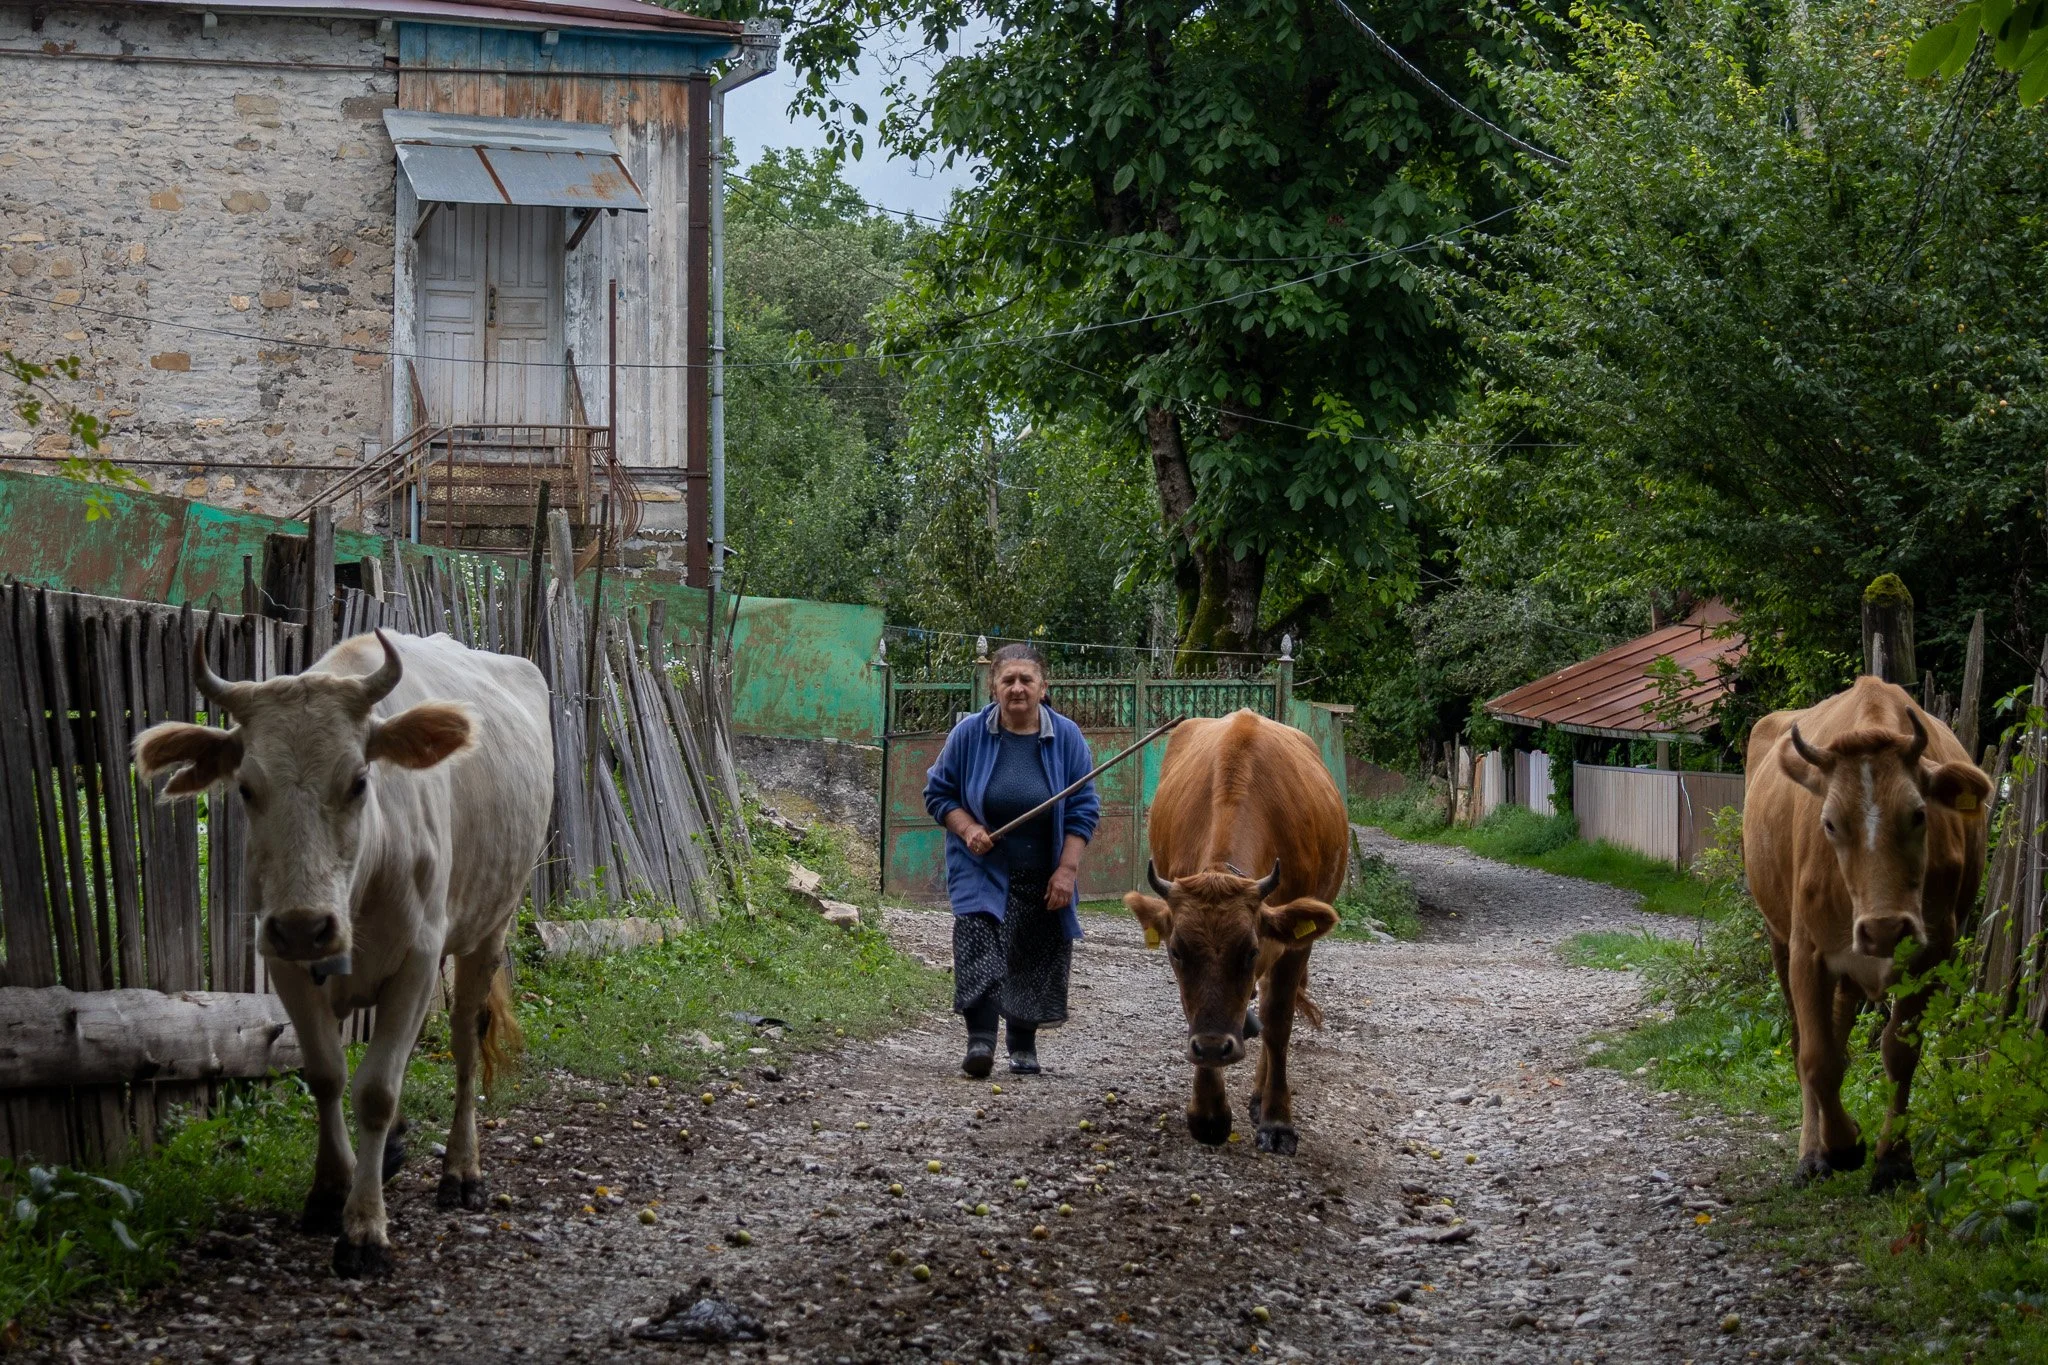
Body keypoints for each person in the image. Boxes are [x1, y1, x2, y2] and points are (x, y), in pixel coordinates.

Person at [923, 643, 1098, 1077]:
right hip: (982, 866)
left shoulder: (1067, 736)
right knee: (977, 944)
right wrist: (968, 829)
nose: (1017, 688)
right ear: (993, 687)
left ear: (1043, 687)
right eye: (1008, 680)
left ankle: (1022, 1045)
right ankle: (980, 1043)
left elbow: (1083, 809)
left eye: (1026, 680)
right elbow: (938, 793)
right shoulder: (969, 734)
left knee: (1035, 955)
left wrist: (1067, 870)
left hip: (1044, 868)